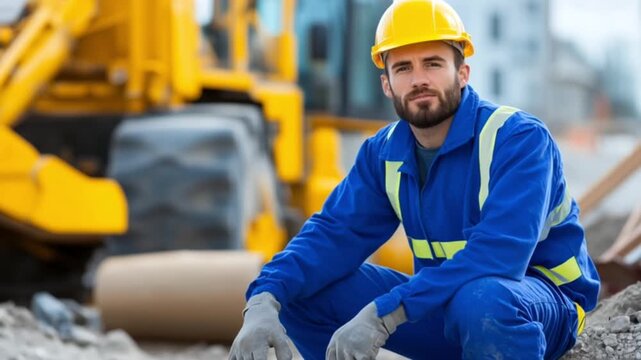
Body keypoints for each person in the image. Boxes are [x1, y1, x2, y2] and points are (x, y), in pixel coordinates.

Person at [229, 0, 600, 359]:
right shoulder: (383, 152)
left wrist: (384, 313)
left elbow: (499, 256)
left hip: (538, 308)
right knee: (305, 290)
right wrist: (264, 297)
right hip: (444, 306)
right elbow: (331, 234)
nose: (419, 79)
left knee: (483, 298)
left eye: (433, 63)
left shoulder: (517, 138)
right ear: (387, 84)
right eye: (403, 68)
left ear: (463, 73)